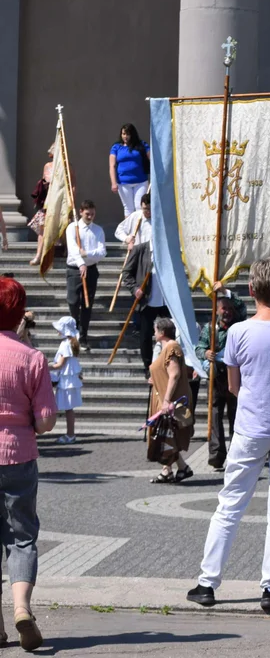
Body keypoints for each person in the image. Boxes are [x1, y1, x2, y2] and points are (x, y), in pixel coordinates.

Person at [188, 257, 270, 615]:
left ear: (251, 291)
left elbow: (232, 386)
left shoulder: (239, 332)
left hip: (249, 427)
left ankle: (207, 582)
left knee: (230, 504)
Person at [0, 277, 57, 651]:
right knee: (22, 537)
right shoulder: (32, 357)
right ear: (20, 313)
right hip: (17, 455)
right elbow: (46, 420)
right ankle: (21, 608)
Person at [118, 193, 168, 375]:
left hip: (165, 299)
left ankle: (168, 362)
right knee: (146, 335)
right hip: (147, 299)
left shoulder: (167, 252)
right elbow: (126, 274)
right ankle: (148, 366)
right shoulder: (141, 249)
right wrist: (135, 289)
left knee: (170, 333)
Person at [146, 317, 195, 484]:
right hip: (163, 398)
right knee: (167, 435)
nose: (154, 333)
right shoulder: (165, 348)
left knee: (167, 435)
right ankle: (175, 469)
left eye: (155, 330)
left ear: (161, 332)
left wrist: (167, 400)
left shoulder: (172, 347)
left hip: (170, 400)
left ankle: (180, 468)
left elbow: (174, 375)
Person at [197, 295, 242, 471]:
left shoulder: (238, 327)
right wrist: (206, 353)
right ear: (217, 310)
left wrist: (225, 290)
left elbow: (241, 306)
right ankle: (216, 455)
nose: (228, 312)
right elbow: (199, 347)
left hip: (234, 377)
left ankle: (235, 454)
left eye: (230, 309)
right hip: (215, 379)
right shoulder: (210, 329)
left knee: (235, 417)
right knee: (215, 417)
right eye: (224, 309)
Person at [65, 200, 106, 344]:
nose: (90, 217)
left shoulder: (98, 230)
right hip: (74, 270)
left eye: (93, 214)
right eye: (88, 214)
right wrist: (81, 262)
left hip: (91, 270)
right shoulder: (72, 228)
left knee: (87, 304)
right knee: (73, 301)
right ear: (81, 211)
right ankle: (74, 331)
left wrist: (87, 254)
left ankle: (83, 336)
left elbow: (102, 252)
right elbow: (73, 249)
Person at [49, 316, 82, 445]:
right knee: (69, 409)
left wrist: (45, 365)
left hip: (67, 380)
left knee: (68, 408)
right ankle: (70, 434)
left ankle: (70, 434)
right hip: (70, 379)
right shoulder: (72, 342)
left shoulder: (65, 344)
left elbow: (59, 365)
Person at [109, 123, 151, 216]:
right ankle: (130, 230)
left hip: (140, 181)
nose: (125, 136)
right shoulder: (116, 147)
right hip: (123, 183)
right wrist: (113, 183)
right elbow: (112, 165)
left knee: (139, 207)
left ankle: (140, 229)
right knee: (128, 208)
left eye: (128, 134)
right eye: (123, 134)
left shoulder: (142, 145)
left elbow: (151, 158)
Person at [28, 143, 53, 266]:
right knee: (42, 229)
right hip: (48, 202)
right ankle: (38, 255)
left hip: (61, 202)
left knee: (63, 229)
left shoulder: (67, 166)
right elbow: (47, 179)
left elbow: (72, 185)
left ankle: (64, 251)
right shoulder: (48, 166)